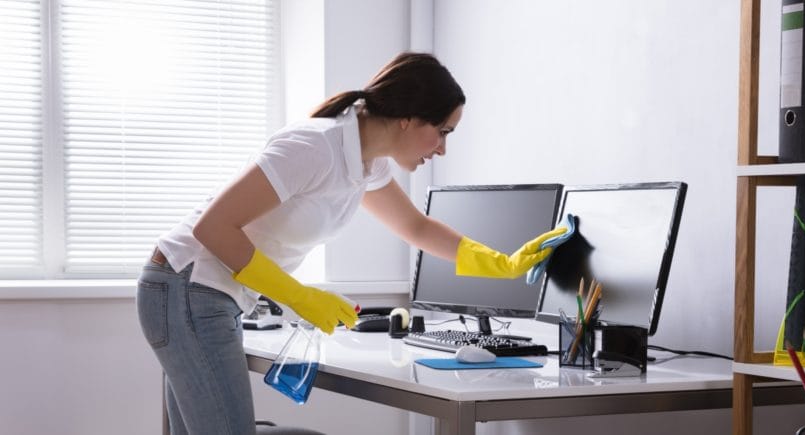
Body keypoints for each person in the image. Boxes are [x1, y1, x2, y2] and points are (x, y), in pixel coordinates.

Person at [136, 52, 566, 435]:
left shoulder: (366, 164)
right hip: (186, 287)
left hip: (203, 295)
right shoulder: (314, 146)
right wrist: (299, 297)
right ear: (409, 117)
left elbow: (416, 228)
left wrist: (502, 263)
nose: (442, 148)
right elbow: (212, 228)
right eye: (443, 131)